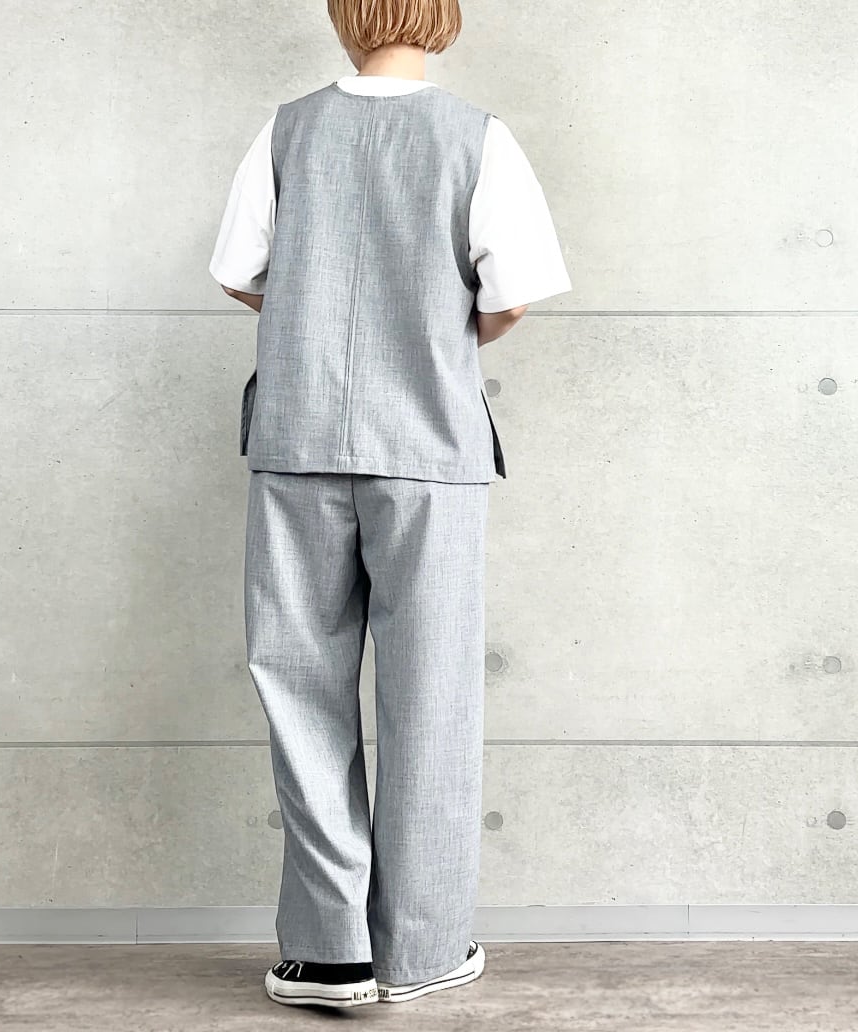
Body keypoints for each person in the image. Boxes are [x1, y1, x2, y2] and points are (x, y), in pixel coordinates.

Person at [209, 0, 572, 1010]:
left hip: (298, 440)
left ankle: (329, 953)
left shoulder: (287, 130)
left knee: (300, 687)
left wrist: (316, 312)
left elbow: (240, 274)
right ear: (442, 20)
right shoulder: (479, 139)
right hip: (430, 451)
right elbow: (511, 296)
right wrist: (431, 332)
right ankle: (423, 948)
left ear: (343, 16)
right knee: (433, 697)